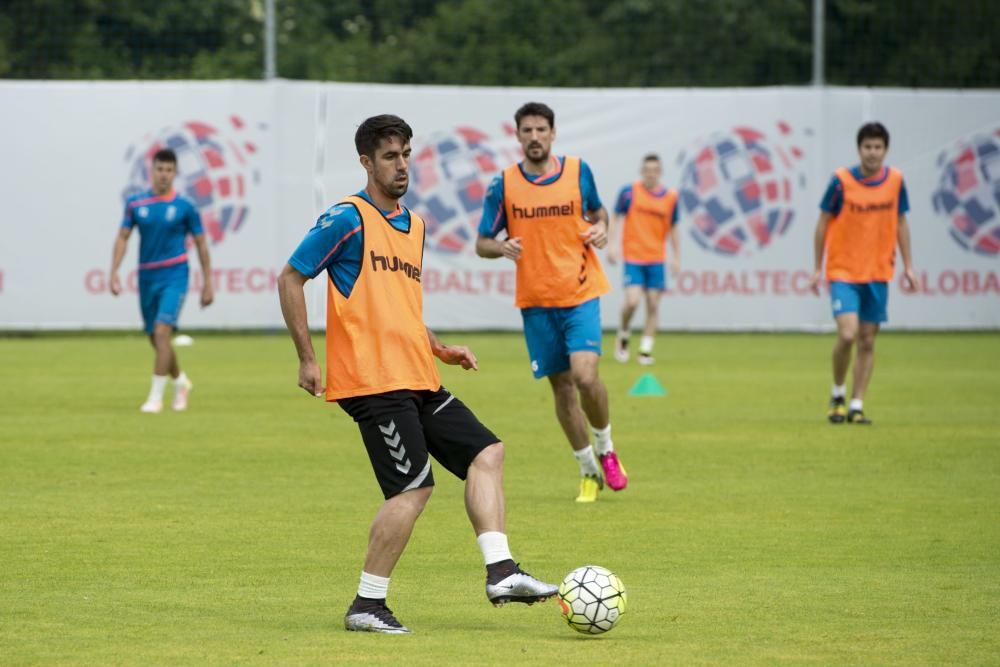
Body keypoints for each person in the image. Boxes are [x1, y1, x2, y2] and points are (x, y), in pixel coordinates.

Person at [277, 114, 557, 634]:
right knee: (412, 490)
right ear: (366, 162)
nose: (402, 164)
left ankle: (500, 570)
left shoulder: (417, 225)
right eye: (390, 156)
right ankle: (367, 603)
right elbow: (291, 277)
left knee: (486, 453)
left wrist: (441, 348)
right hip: (372, 382)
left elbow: (401, 306)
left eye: (406, 153)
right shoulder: (347, 218)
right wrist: (307, 357)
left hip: (417, 374)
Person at [475, 102, 627, 504]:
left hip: (580, 291)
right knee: (561, 389)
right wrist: (500, 246)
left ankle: (607, 449)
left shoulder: (578, 172)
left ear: (553, 133)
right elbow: (481, 243)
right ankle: (587, 470)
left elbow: (599, 213)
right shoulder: (503, 185)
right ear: (518, 135)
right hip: (536, 301)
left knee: (585, 376)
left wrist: (603, 228)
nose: (535, 137)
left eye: (542, 129)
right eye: (527, 130)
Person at [809, 122, 918, 425]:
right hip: (843, 270)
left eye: (878, 147)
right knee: (847, 334)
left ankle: (857, 404)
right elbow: (822, 223)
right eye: (867, 147)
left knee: (868, 341)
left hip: (877, 271)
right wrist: (817, 267)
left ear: (886, 150)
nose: (872, 153)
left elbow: (901, 222)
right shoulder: (841, 182)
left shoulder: (895, 181)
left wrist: (908, 266)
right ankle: (837, 393)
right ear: (859, 149)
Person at [110, 148, 213, 413]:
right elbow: (123, 237)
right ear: (152, 171)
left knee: (162, 332)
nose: (164, 175)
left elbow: (201, 244)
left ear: (175, 173)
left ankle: (155, 398)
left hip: (175, 274)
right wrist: (114, 272)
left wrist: (208, 282)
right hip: (147, 276)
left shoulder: (185, 206)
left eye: (169, 170)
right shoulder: (136, 204)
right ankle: (181, 382)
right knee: (157, 340)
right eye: (160, 169)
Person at [606, 153, 680, 366]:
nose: (650, 174)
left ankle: (645, 350)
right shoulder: (629, 193)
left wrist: (676, 256)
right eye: (647, 170)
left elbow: (674, 228)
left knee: (653, 304)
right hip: (633, 256)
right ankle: (624, 334)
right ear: (641, 171)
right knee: (632, 301)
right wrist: (612, 245)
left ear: (660, 173)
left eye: (655, 171)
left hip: (656, 257)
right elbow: (616, 217)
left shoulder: (670, 197)